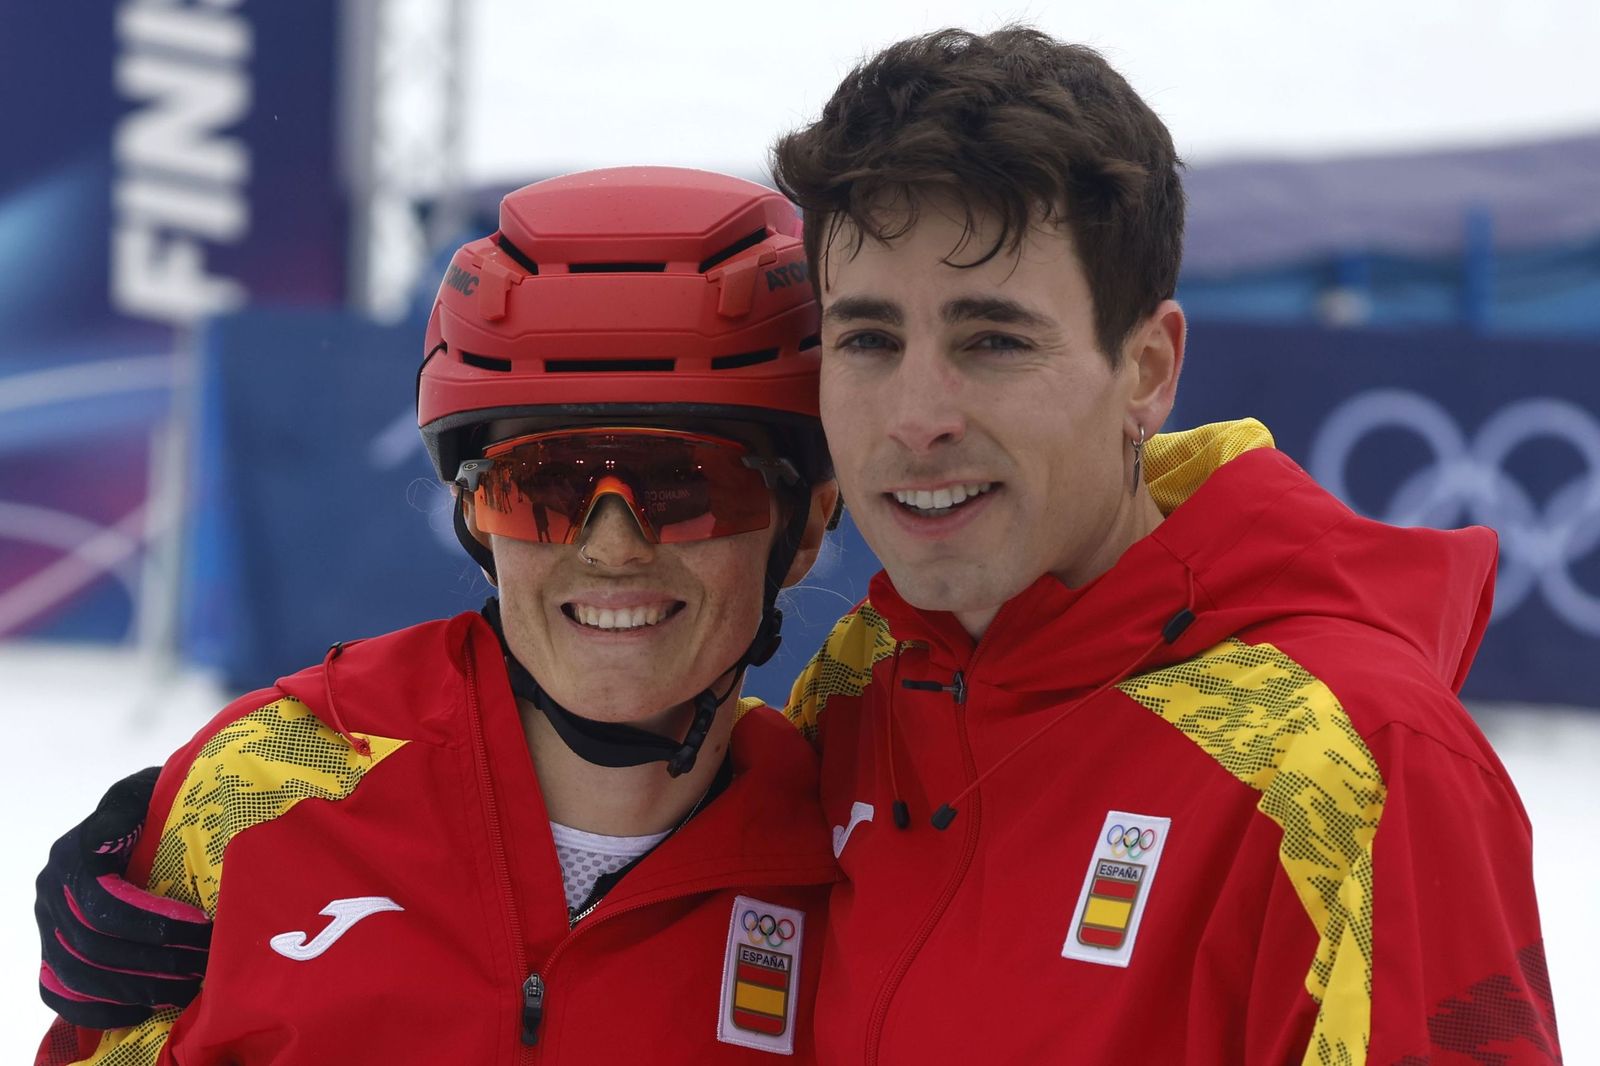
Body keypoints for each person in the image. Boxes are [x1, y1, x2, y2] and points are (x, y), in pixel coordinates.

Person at [767, 26, 1561, 1066]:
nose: (916, 414)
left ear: (1145, 370)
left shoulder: (1345, 760)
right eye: (867, 339)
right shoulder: (855, 690)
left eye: (993, 340)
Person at [34, 165, 841, 1065]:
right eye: (542, 486)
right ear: (473, 518)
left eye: (690, 485)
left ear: (804, 526)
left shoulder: (856, 848)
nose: (613, 548)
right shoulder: (261, 791)